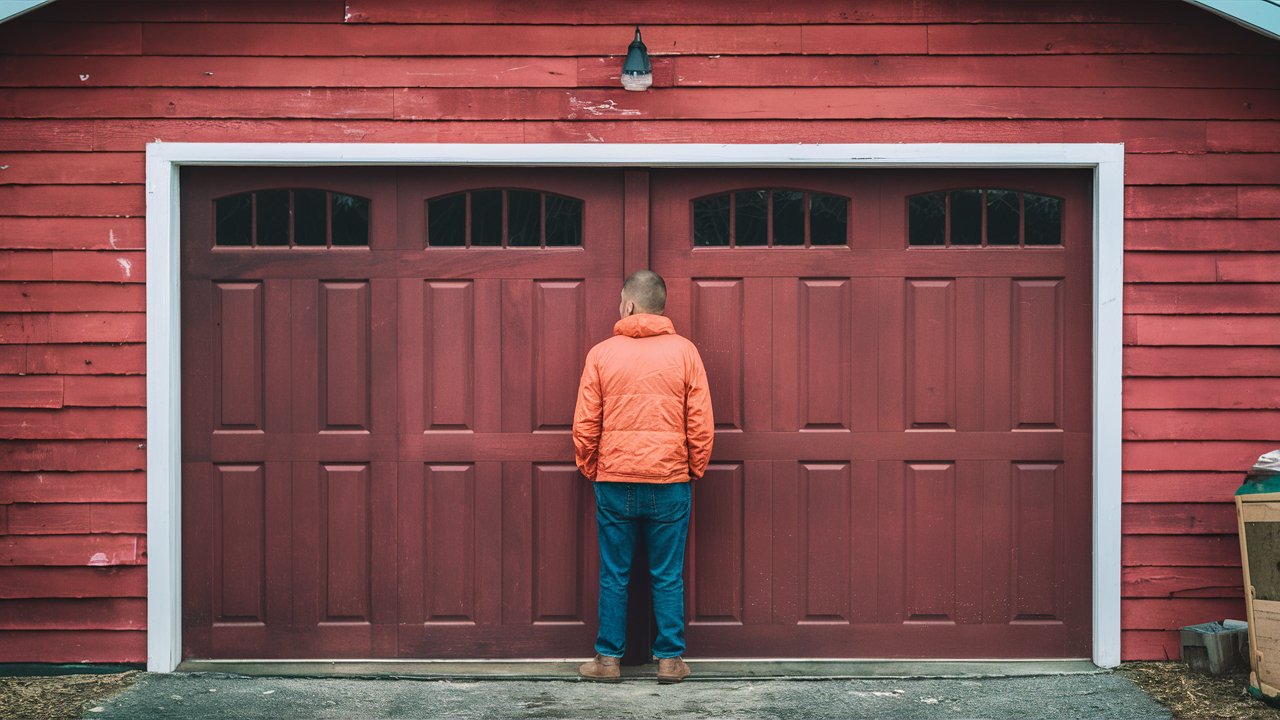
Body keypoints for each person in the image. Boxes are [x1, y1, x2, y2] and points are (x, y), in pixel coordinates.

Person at [572, 269, 714, 684]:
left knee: (615, 573)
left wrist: (591, 466)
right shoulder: (685, 352)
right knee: (666, 573)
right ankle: (669, 660)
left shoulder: (602, 354)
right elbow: (701, 423)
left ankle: (607, 660)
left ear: (629, 305)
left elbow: (585, 424)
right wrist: (693, 468)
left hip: (614, 480)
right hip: (669, 481)